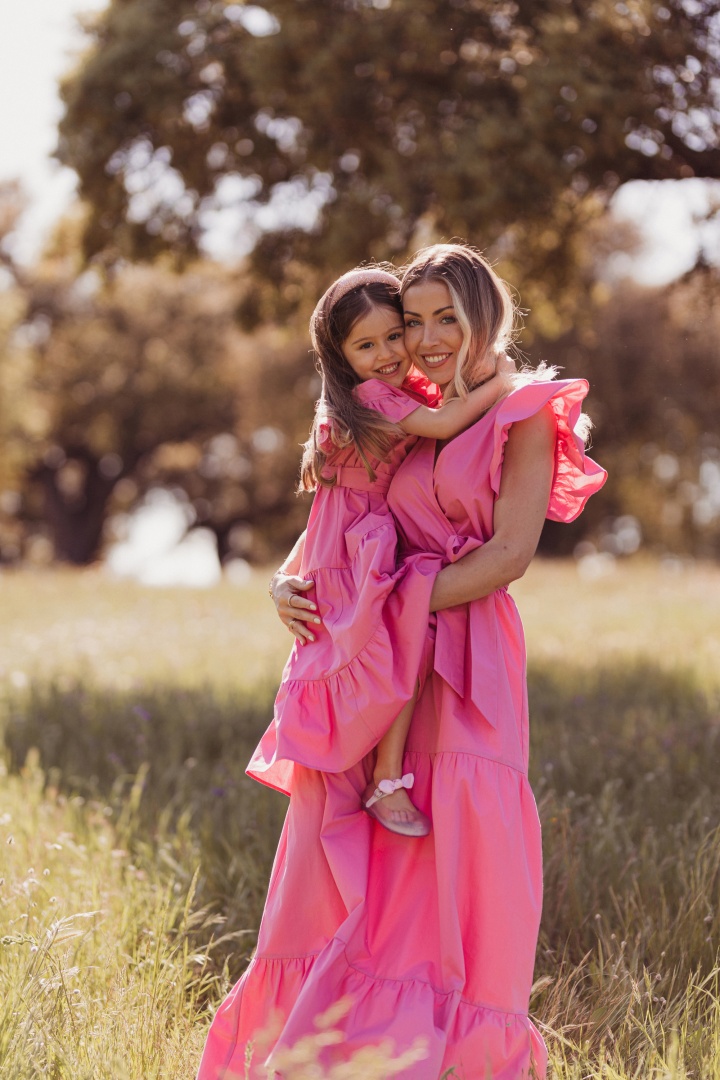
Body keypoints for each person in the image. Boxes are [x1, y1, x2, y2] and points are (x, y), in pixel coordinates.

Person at [197, 244, 607, 1079]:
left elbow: (507, 558)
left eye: (443, 318)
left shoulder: (523, 412)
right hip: (380, 658)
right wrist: (288, 581)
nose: (422, 339)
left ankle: (452, 1057)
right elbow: (350, 519)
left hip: (463, 657)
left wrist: (395, 606)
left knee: (460, 863)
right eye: (410, 321)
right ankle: (332, 1051)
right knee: (354, 870)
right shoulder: (405, 408)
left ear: (483, 314)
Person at [247, 266, 511, 836]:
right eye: (367, 345)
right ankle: (383, 779)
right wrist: (504, 384)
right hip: (357, 550)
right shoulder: (371, 397)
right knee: (402, 653)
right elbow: (444, 423)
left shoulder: (383, 394)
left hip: (346, 543)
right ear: (341, 356)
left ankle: (382, 775)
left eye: (397, 334)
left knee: (404, 653)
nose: (389, 352)